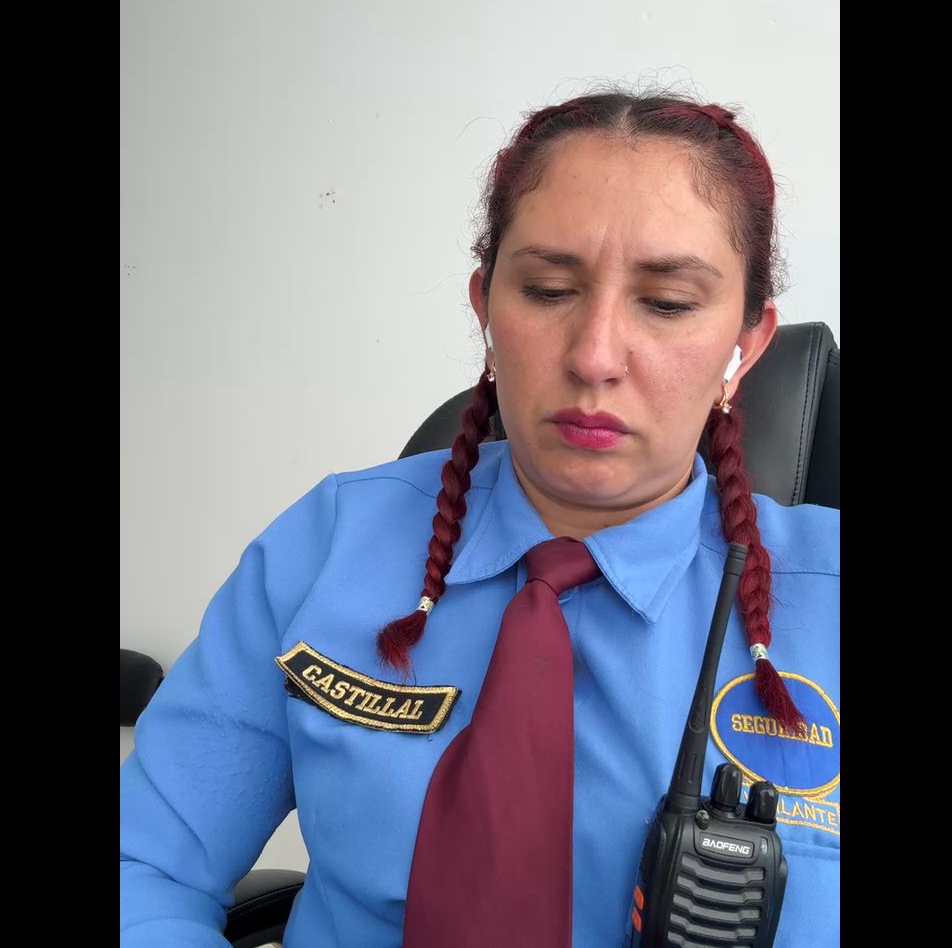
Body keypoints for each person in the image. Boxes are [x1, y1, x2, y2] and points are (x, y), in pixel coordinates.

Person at [120, 88, 839, 947]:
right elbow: (146, 865)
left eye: (669, 303)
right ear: (485, 309)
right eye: (547, 289)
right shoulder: (328, 545)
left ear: (746, 347)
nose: (594, 356)